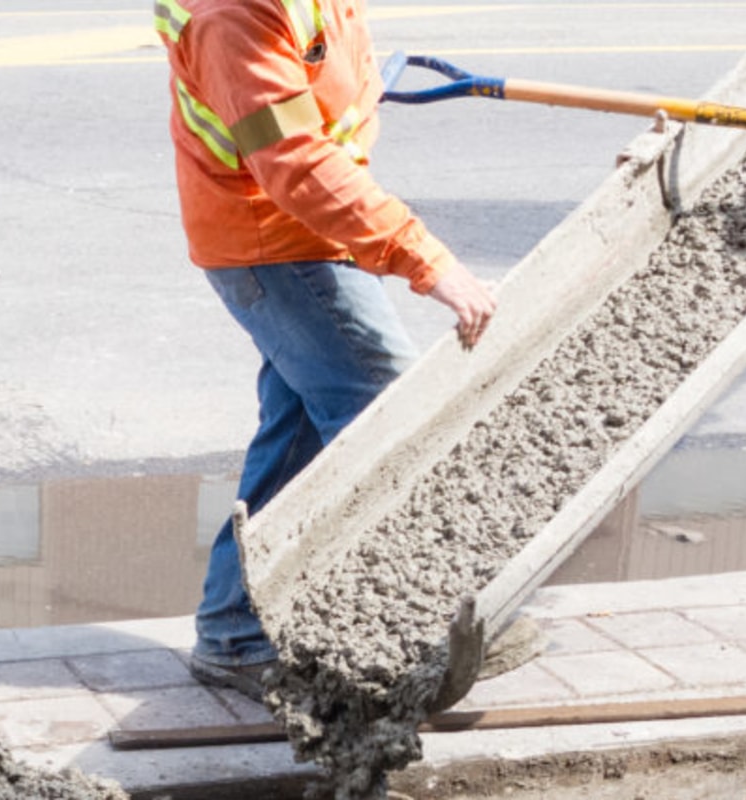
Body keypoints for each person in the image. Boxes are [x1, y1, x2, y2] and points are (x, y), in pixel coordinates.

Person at [153, 0, 499, 699]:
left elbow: (315, 64)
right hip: (276, 244)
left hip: (298, 234)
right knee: (389, 421)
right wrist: (426, 260)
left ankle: (233, 628)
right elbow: (293, 159)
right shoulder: (233, 16)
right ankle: (418, 625)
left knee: (302, 437)